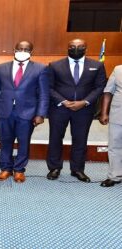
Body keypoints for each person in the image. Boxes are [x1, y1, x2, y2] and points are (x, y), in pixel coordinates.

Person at [0, 41, 49, 183]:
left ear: (31, 52)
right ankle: (5, 169)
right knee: (5, 141)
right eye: (20, 48)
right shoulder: (1, 68)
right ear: (14, 50)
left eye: (26, 49)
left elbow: (44, 94)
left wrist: (40, 114)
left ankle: (19, 170)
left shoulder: (40, 69)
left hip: (28, 112)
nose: (22, 51)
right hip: (4, 111)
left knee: (24, 142)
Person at [46, 39, 107, 182]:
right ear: (67, 48)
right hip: (59, 108)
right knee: (55, 138)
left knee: (80, 140)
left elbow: (100, 87)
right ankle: (54, 168)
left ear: (86, 48)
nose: (76, 49)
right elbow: (48, 87)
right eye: (72, 46)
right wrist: (63, 101)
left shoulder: (97, 65)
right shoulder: (55, 65)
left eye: (80, 47)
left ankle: (77, 169)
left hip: (84, 109)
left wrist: (84, 102)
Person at [99, 65, 122, 187]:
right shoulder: (118, 69)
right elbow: (108, 91)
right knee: (115, 145)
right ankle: (115, 176)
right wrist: (104, 112)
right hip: (118, 114)